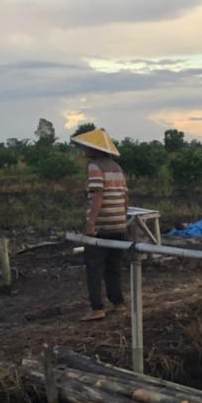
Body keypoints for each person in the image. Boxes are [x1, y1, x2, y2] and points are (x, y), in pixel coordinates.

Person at [73, 128, 129, 323]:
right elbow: (124, 197)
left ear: (93, 149)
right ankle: (118, 303)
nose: (84, 150)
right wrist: (122, 218)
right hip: (118, 225)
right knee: (113, 267)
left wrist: (91, 224)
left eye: (86, 147)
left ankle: (97, 308)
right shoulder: (117, 167)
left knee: (94, 267)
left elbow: (97, 195)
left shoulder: (94, 167)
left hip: (102, 227)